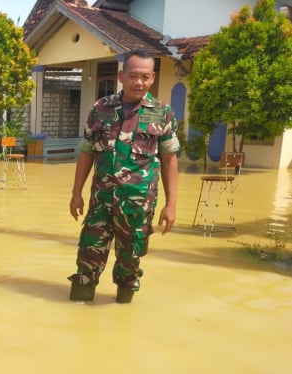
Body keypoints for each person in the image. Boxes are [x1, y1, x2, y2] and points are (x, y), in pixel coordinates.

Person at [68, 49, 179, 304]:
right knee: (87, 258)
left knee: (129, 264)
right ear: (121, 76)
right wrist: (76, 194)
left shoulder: (162, 113)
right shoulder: (100, 109)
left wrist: (171, 204)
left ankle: (123, 311)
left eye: (145, 77)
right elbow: (86, 152)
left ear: (152, 78)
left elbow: (170, 160)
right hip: (101, 202)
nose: (138, 82)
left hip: (137, 205)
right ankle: (79, 311)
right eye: (132, 76)